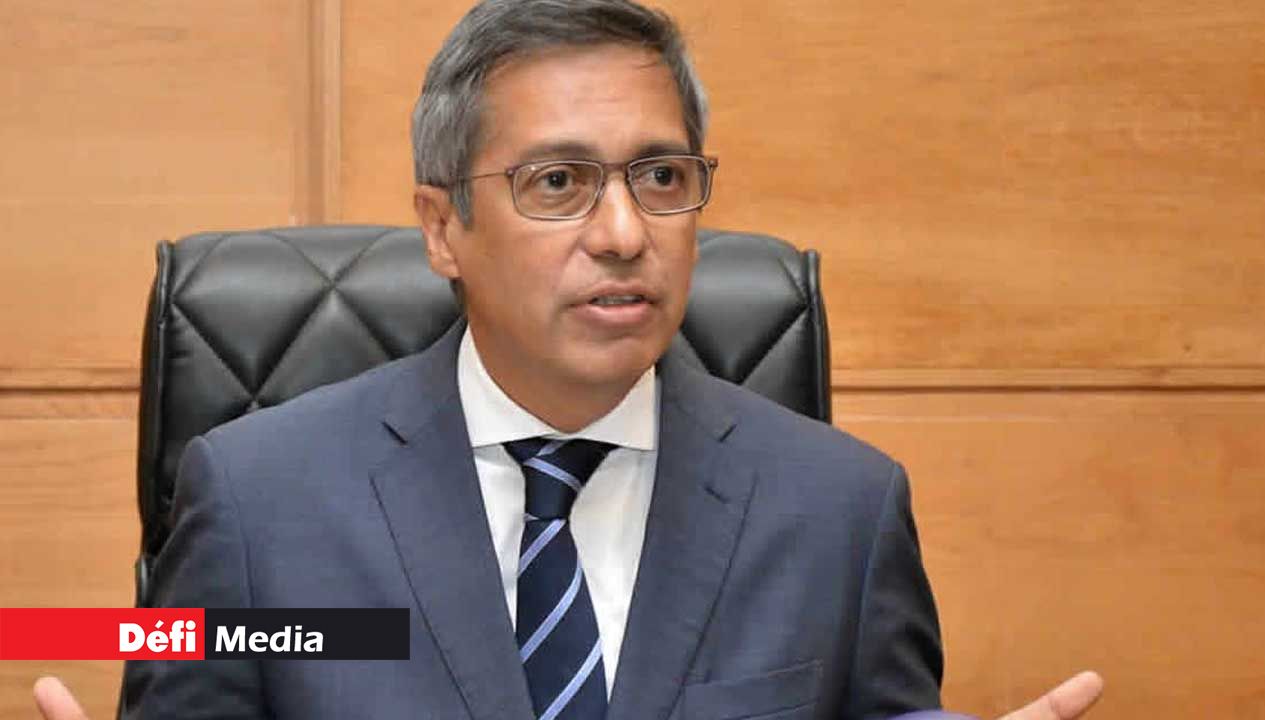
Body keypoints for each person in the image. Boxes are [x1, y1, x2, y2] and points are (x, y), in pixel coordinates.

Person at [35, 1, 1104, 718]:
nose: (625, 233)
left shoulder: (841, 513)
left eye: (660, 176)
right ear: (442, 228)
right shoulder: (260, 502)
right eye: (557, 183)